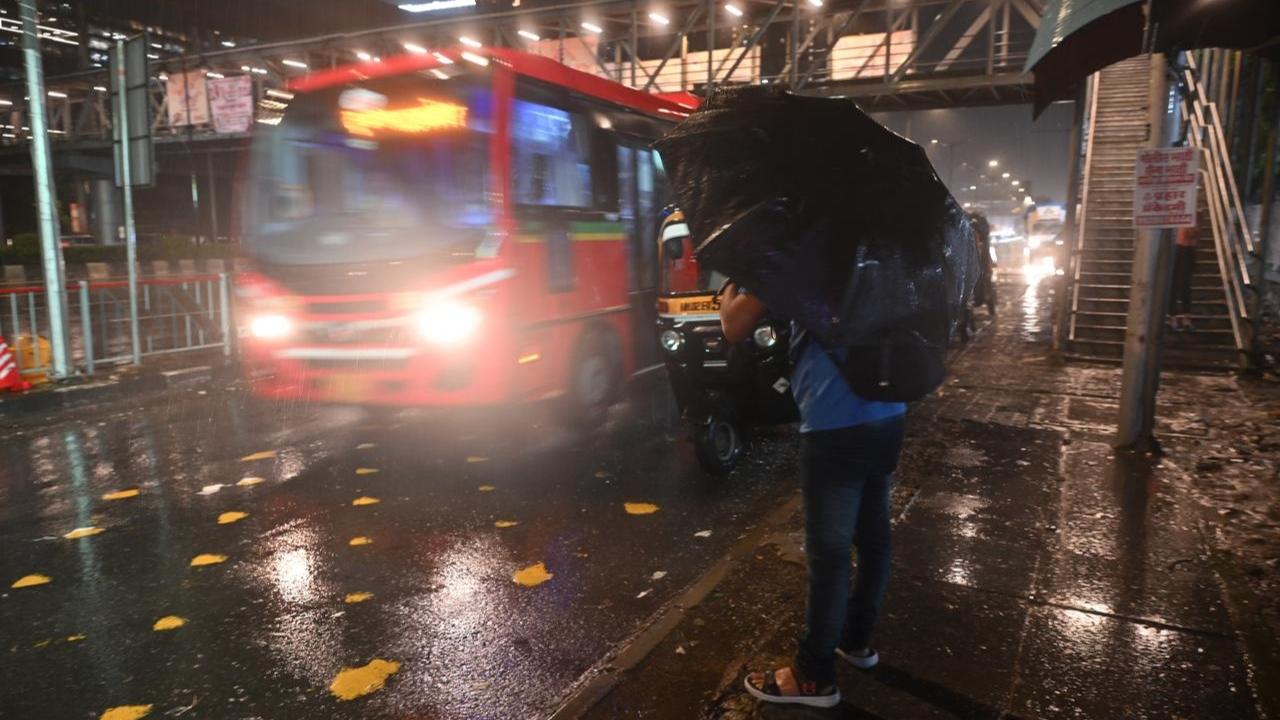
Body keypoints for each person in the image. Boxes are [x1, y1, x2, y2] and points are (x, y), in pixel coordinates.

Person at [720, 281, 906, 709]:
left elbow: (734, 324)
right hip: (889, 413)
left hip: (835, 420)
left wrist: (732, 283)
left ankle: (813, 676)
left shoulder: (808, 243)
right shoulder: (882, 241)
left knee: (831, 555)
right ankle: (856, 642)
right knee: (875, 540)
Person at [1169, 215, 1199, 332]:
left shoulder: (1195, 207)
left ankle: (1186, 317)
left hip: (1189, 246)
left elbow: (1196, 231)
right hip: (1177, 245)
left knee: (1185, 284)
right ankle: (1173, 317)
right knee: (1175, 283)